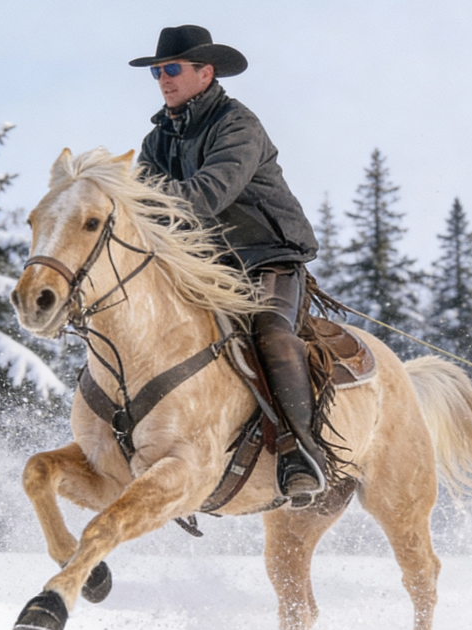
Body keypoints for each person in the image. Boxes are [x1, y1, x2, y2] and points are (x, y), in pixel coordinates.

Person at [129, 25, 325, 502]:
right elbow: (142, 214)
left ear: (205, 72)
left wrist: (127, 200)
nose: (163, 79)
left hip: (267, 259)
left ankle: (301, 451)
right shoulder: (158, 141)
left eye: (172, 69)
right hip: (204, 266)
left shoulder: (238, 125)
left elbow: (204, 196)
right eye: (157, 72)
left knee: (272, 334)